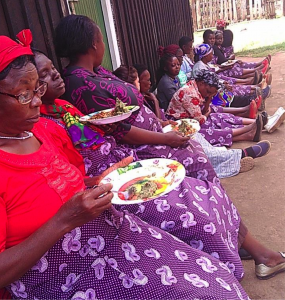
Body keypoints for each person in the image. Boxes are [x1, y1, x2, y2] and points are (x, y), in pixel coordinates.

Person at [0, 30, 257, 300]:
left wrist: (102, 180)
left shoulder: (43, 130)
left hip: (111, 231)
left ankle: (242, 248)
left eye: (36, 89)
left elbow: (69, 181)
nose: (38, 101)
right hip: (67, 274)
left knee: (210, 274)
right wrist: (63, 221)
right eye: (24, 94)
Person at [56, 16, 220, 183]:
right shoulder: (81, 84)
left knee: (197, 148)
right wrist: (166, 138)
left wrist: (159, 122)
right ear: (94, 43)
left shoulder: (95, 71)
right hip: (140, 146)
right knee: (197, 161)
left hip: (154, 132)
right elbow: (120, 131)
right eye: (102, 40)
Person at [114, 64, 273, 177]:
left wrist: (160, 115)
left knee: (203, 135)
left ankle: (247, 126)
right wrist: (164, 128)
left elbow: (156, 120)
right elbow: (200, 119)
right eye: (141, 82)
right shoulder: (126, 109)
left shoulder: (141, 99)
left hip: (171, 127)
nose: (149, 83)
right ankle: (242, 152)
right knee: (201, 141)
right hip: (162, 136)